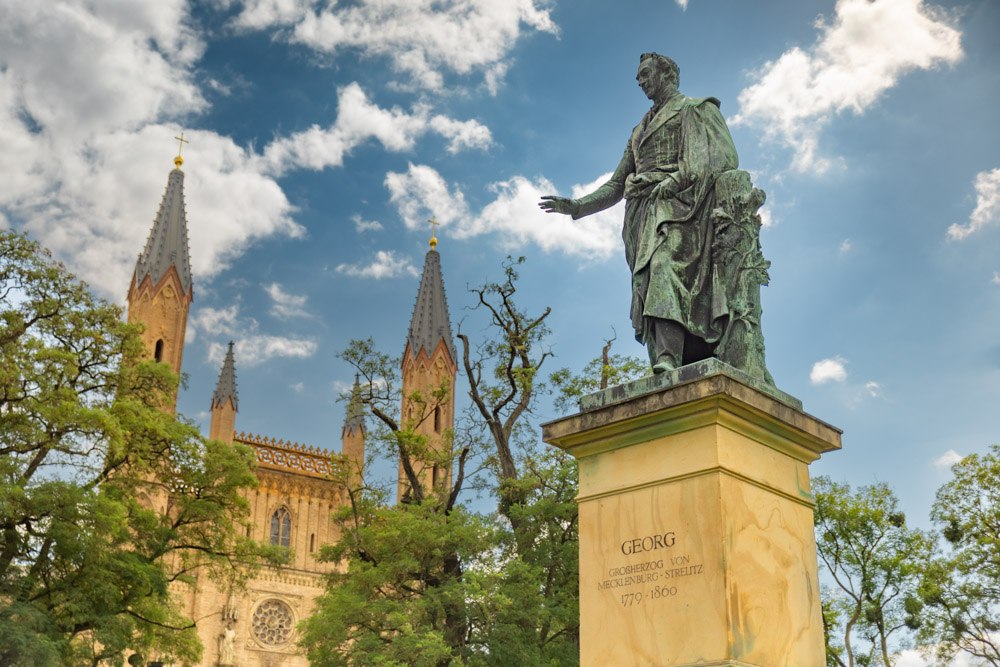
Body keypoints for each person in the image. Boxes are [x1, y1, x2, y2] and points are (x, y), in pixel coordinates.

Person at [540, 53, 738, 373]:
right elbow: (617, 183)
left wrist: (672, 181)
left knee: (663, 266)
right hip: (641, 217)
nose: (639, 80)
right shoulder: (638, 131)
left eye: (645, 73)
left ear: (668, 74)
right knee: (646, 283)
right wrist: (579, 206)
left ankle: (668, 357)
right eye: (639, 75)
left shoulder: (696, 109)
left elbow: (721, 158)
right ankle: (664, 356)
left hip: (686, 211)